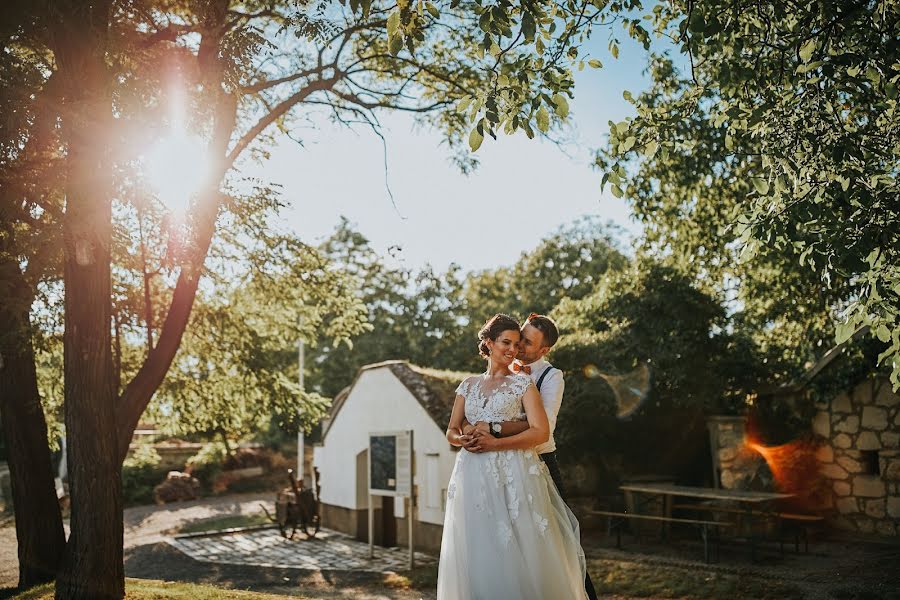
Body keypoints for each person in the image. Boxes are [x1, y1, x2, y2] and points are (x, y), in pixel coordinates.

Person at [437, 314, 587, 600]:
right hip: (472, 473)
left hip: (515, 469)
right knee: (478, 542)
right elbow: (451, 430)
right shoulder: (467, 385)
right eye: (506, 342)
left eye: (518, 344)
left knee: (523, 542)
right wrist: (463, 440)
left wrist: (494, 442)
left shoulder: (525, 384)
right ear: (488, 342)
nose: (513, 349)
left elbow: (542, 431)